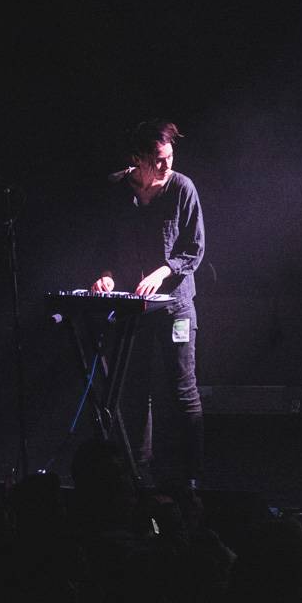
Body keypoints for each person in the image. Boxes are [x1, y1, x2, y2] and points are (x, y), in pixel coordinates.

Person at [90, 119, 206, 488]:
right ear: (136, 160)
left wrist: (163, 271)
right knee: (134, 389)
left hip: (175, 306)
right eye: (157, 159)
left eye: (169, 157)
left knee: (182, 388)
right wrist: (107, 274)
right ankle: (138, 473)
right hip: (133, 309)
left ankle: (190, 476)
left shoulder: (183, 189)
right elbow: (108, 245)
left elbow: (194, 249)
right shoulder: (119, 192)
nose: (165, 165)